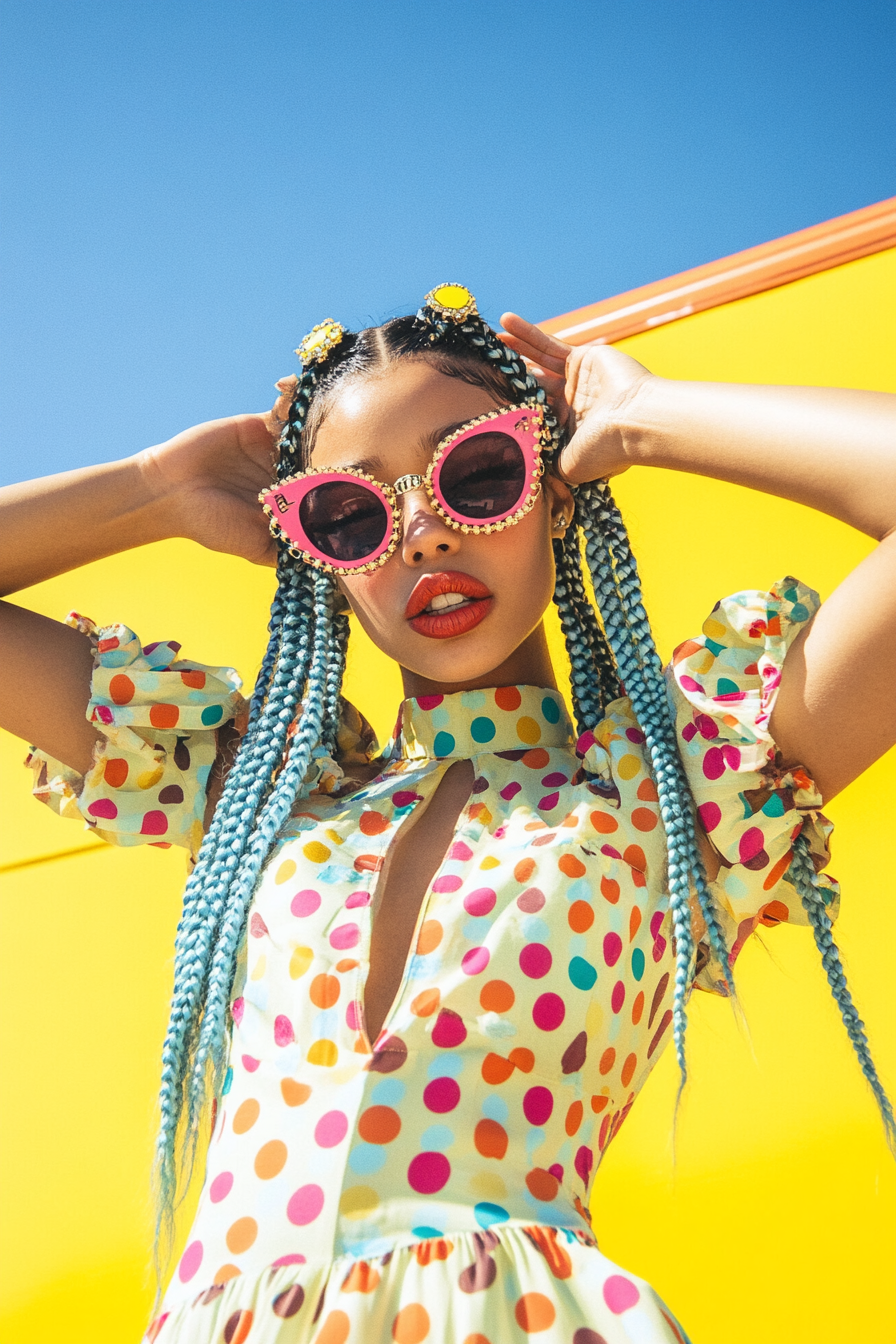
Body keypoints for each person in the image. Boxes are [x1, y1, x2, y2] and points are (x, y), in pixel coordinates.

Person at [1, 283, 894, 1344]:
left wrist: (644, 413)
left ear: (557, 491)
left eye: (476, 474)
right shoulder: (259, 793)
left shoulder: (675, 792)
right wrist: (155, 489)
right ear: (319, 565)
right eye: (351, 514)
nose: (420, 534)